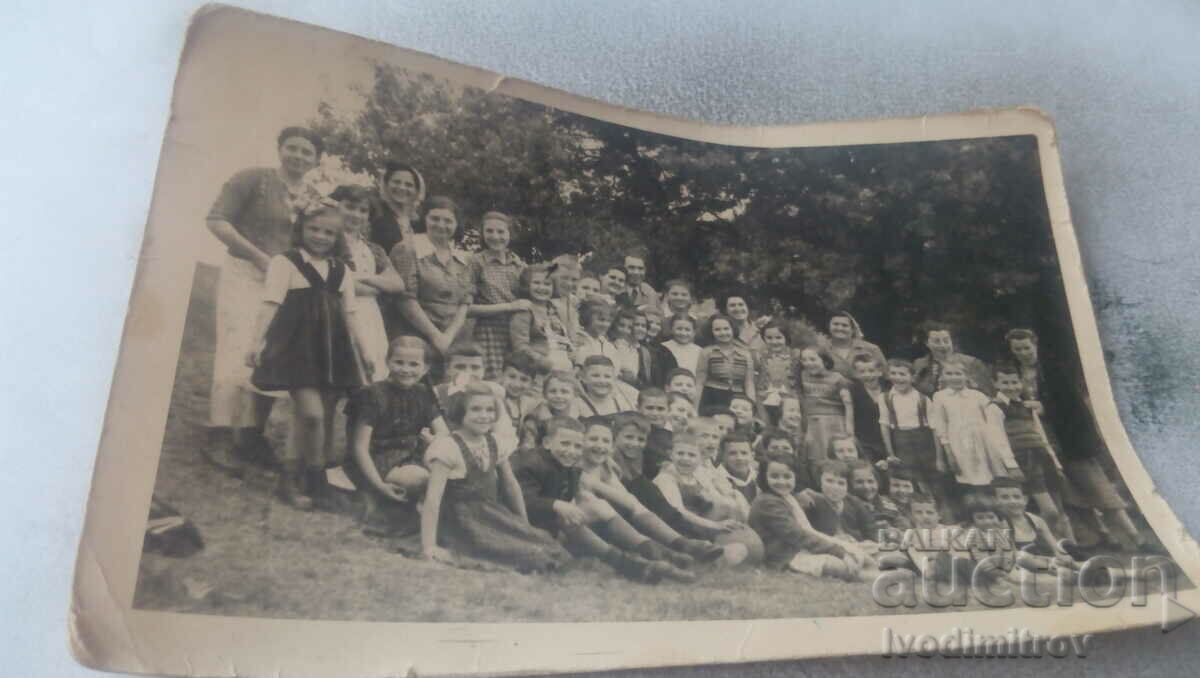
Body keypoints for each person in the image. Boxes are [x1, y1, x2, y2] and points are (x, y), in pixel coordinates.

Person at [204, 126, 326, 475]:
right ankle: (219, 434)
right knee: (235, 350)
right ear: (280, 148)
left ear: (317, 160)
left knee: (272, 355)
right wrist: (260, 257)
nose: (299, 156)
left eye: (307, 152)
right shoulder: (252, 179)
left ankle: (252, 435)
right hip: (246, 272)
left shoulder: (315, 196)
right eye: (293, 148)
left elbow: (317, 240)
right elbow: (216, 220)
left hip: (285, 282)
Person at [246, 203, 372, 509]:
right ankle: (292, 481)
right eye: (314, 229)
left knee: (319, 416)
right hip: (295, 348)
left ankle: (313, 483)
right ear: (301, 228)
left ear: (338, 236)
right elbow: (270, 304)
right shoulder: (285, 262)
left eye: (329, 232)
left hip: (331, 348)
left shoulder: (341, 269)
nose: (320, 236)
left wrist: (364, 350)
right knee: (311, 414)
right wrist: (255, 342)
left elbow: (351, 313)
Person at [1001, 328, 1151, 553]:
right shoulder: (1014, 375)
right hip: (1043, 441)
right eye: (1017, 349)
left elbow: (1073, 404)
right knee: (1070, 493)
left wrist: (1045, 409)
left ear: (1035, 344)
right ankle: (1100, 537)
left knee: (1098, 488)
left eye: (1027, 348)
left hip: (1069, 438)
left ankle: (1135, 537)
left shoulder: (1052, 369)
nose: (1023, 353)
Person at [515, 417, 694, 583]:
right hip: (528, 526)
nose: (571, 451)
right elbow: (524, 501)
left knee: (597, 506)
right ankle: (627, 564)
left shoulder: (568, 467)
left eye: (577, 447)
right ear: (547, 443)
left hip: (556, 523)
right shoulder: (531, 464)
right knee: (567, 517)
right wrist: (557, 505)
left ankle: (655, 553)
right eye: (565, 444)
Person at [421, 383, 570, 571]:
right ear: (460, 412)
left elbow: (510, 486)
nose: (484, 416)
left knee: (547, 545)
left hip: (491, 513)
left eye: (489, 410)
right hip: (460, 521)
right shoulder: (447, 447)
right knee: (532, 556)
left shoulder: (494, 442)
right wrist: (429, 546)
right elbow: (433, 499)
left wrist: (524, 525)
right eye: (476, 409)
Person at [577, 418, 722, 566]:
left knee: (635, 503)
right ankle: (667, 549)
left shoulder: (606, 466)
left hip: (613, 523)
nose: (600, 445)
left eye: (605, 441)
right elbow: (615, 498)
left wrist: (632, 504)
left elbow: (628, 499)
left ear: (611, 444)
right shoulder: (577, 467)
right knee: (616, 503)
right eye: (593, 439)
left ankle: (681, 545)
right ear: (580, 440)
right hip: (587, 528)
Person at [346, 336, 448, 534]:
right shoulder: (373, 395)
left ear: (425, 368)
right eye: (399, 362)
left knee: (450, 471)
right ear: (388, 362)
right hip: (378, 458)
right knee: (423, 479)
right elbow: (359, 447)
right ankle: (417, 515)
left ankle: (436, 519)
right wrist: (379, 485)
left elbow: (444, 432)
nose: (406, 369)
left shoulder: (423, 392)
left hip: (412, 454)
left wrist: (434, 441)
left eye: (413, 364)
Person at [331, 184, 406, 382]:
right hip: (335, 315)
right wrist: (377, 287)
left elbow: (398, 284)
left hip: (369, 317)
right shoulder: (327, 242)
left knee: (369, 379)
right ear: (337, 207)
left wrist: (365, 278)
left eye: (363, 210)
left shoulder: (373, 249)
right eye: (349, 207)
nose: (356, 215)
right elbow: (331, 283)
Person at [653, 432, 764, 566]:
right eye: (680, 453)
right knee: (738, 548)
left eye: (692, 455)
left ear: (700, 458)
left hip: (700, 526)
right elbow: (678, 511)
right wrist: (715, 525)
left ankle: (726, 550)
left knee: (729, 506)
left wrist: (734, 510)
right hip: (678, 529)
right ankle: (710, 558)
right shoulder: (666, 478)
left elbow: (719, 500)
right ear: (671, 454)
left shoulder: (698, 476)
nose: (686, 459)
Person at [749, 457, 869, 580]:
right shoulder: (767, 502)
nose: (781, 481)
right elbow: (797, 535)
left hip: (797, 550)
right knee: (840, 566)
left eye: (787, 477)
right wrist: (837, 551)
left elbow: (807, 530)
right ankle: (876, 577)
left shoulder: (786, 497)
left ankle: (875, 572)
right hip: (783, 558)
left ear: (795, 477)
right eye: (774, 476)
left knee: (856, 554)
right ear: (764, 477)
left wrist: (842, 548)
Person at [991, 362, 1073, 540]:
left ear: (1020, 382)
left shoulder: (1027, 405)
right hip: (1024, 458)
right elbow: (998, 440)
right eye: (1005, 383)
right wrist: (1011, 465)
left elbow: (1041, 435)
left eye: (1014, 382)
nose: (1011, 387)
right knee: (1049, 511)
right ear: (996, 384)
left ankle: (1067, 546)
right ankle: (1042, 540)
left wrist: (1055, 462)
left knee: (1059, 508)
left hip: (1042, 455)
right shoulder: (995, 407)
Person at [391, 197, 473, 373]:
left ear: (456, 224)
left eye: (448, 221)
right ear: (424, 219)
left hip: (454, 338)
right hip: (415, 337)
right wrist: (436, 336)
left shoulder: (462, 257)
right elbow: (405, 299)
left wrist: (448, 337)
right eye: (435, 218)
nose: (441, 225)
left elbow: (465, 302)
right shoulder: (407, 249)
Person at [929, 358, 1023, 506]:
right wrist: (947, 454)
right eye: (949, 373)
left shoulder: (977, 395)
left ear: (966, 375)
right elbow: (940, 427)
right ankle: (978, 510)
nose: (954, 377)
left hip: (984, 443)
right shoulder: (939, 397)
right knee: (970, 480)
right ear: (943, 377)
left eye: (958, 373)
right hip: (959, 444)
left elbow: (994, 416)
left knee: (991, 477)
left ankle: (996, 509)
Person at [878, 359, 950, 520]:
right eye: (894, 374)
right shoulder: (885, 398)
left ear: (912, 377)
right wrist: (890, 453)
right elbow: (884, 426)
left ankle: (944, 517)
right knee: (912, 480)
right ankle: (916, 518)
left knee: (935, 481)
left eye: (902, 374)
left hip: (924, 441)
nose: (898, 378)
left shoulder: (923, 399)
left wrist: (939, 458)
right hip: (901, 442)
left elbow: (935, 429)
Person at [470, 211, 528, 380]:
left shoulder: (519, 264)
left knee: (517, 380)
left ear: (510, 234)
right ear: (482, 233)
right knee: (492, 383)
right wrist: (509, 307)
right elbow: (467, 308)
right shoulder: (475, 262)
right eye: (489, 231)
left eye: (501, 232)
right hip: (489, 333)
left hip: (517, 333)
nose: (495, 236)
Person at [795, 345, 854, 481]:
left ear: (825, 360)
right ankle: (818, 484)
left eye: (812, 359)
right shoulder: (803, 375)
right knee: (814, 456)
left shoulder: (838, 379)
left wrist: (850, 427)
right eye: (804, 360)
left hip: (834, 422)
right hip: (812, 423)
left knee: (835, 455)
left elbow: (848, 404)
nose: (808, 363)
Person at [509, 263, 575, 372]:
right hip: (539, 369)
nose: (542, 288)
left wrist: (572, 357)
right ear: (527, 285)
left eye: (547, 284)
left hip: (564, 367)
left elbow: (566, 340)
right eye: (536, 283)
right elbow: (520, 347)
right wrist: (542, 361)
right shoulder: (524, 311)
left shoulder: (556, 310)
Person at [913, 322, 993, 396]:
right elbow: (915, 392)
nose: (943, 345)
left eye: (946, 340)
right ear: (927, 343)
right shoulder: (920, 364)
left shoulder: (971, 363)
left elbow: (988, 392)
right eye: (937, 341)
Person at [695, 314, 756, 412]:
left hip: (737, 399)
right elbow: (699, 382)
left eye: (726, 328)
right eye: (717, 329)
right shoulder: (706, 352)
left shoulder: (745, 354)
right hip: (712, 397)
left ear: (733, 329)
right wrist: (694, 408)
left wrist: (752, 408)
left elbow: (749, 383)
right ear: (711, 332)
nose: (723, 333)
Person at [520, 370, 585, 452]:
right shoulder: (534, 421)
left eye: (564, 392)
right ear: (544, 394)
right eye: (552, 391)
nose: (558, 396)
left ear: (575, 395)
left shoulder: (579, 420)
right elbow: (527, 449)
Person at [369, 160, 425, 255]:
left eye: (409, 185)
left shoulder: (418, 221)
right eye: (396, 182)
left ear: (416, 190)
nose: (402, 188)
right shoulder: (374, 211)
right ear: (386, 185)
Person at [755, 319, 799, 424]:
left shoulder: (795, 355)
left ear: (786, 338)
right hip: (764, 398)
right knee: (766, 425)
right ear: (763, 338)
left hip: (789, 398)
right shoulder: (759, 356)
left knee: (789, 425)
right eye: (769, 338)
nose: (774, 341)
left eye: (778, 337)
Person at [848, 353, 887, 464]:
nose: (867, 375)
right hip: (865, 441)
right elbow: (850, 417)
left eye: (871, 371)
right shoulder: (853, 391)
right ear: (856, 374)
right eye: (862, 372)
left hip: (888, 439)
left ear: (879, 372)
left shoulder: (889, 389)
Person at [823, 311, 886, 380]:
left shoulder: (871, 349)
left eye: (845, 325)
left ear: (853, 329)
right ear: (829, 326)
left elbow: (886, 375)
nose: (840, 328)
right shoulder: (822, 349)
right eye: (835, 324)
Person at [574, 298, 620, 366]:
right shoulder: (578, 340)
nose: (605, 325)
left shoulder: (608, 345)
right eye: (601, 320)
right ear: (587, 318)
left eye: (608, 321)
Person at [717, 432, 758, 504]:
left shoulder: (759, 478)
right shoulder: (716, 480)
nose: (739, 458)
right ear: (723, 456)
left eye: (744, 453)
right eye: (732, 453)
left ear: (752, 456)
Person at [609, 306, 642, 386]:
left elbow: (633, 374)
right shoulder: (610, 345)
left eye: (629, 327)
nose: (625, 330)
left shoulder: (633, 349)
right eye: (621, 325)